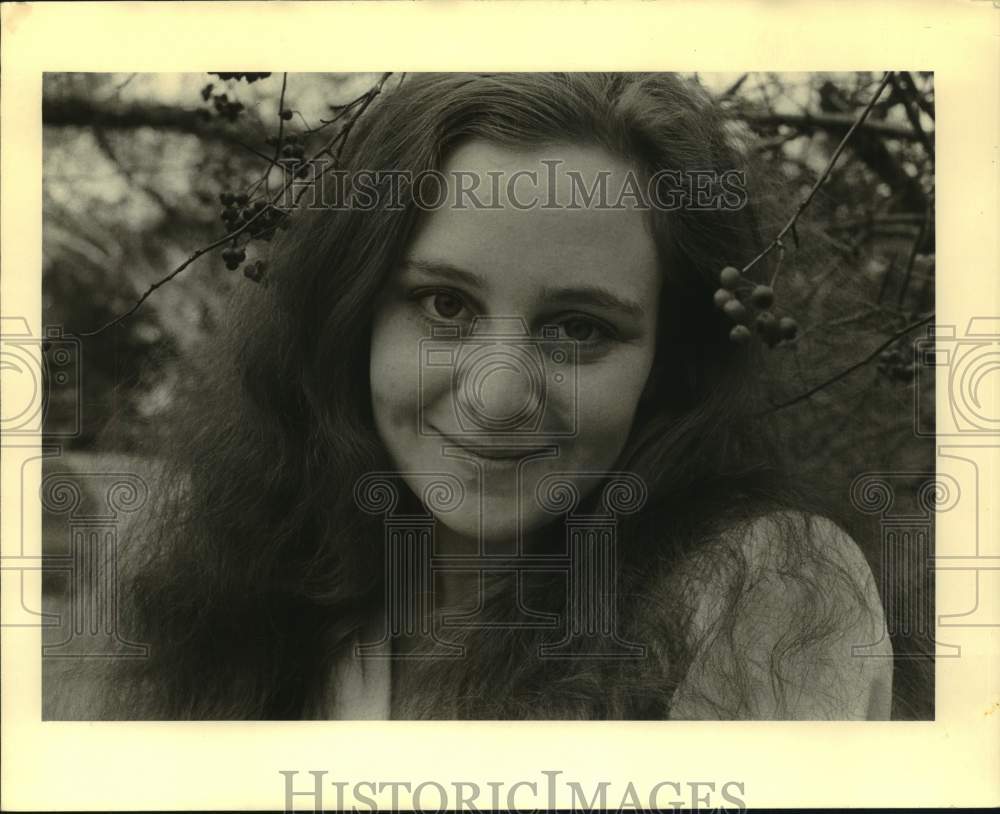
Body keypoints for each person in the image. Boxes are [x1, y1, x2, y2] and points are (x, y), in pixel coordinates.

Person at [96, 72, 891, 720]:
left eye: (578, 329)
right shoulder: (261, 587)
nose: (499, 393)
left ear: (670, 362)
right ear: (351, 316)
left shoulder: (761, 591)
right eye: (446, 306)